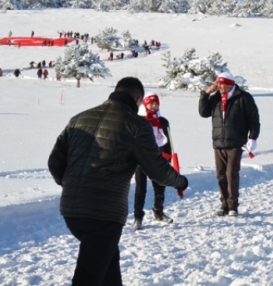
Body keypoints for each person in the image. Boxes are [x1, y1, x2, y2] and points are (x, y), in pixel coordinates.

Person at [48, 77, 188, 285]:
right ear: (138, 99)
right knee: (89, 277)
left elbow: (54, 162)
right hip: (103, 215)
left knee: (107, 266)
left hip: (71, 210)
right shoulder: (136, 125)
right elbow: (157, 170)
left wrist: (72, 186)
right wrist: (180, 181)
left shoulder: (79, 118)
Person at [198, 71, 260, 216]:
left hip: (236, 141)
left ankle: (233, 206)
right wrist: (205, 94)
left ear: (229, 84)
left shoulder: (244, 97)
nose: (218, 86)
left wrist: (253, 137)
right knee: (220, 175)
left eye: (221, 83)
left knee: (231, 174)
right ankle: (224, 204)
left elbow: (254, 119)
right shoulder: (216, 98)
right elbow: (203, 112)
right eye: (217, 83)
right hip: (219, 141)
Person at [133, 94, 175, 229]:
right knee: (140, 189)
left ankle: (159, 212)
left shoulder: (163, 121)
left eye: (156, 103)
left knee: (159, 186)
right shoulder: (138, 121)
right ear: (145, 105)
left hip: (158, 159)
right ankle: (138, 217)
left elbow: (168, 141)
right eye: (151, 103)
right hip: (141, 159)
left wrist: (168, 157)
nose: (154, 106)